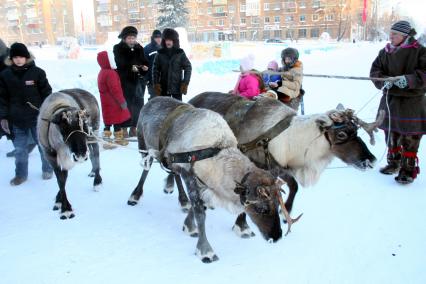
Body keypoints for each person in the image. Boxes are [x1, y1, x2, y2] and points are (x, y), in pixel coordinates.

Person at [370, 20, 426, 185]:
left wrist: (408, 80)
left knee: (410, 137)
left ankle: (407, 170)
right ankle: (393, 163)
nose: (391, 36)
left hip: (412, 103)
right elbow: (375, 71)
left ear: (404, 36)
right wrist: (383, 80)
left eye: (394, 34)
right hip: (390, 99)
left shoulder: (420, 52)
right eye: (391, 33)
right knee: (391, 134)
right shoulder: (385, 52)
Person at [0, 42, 53, 186]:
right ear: (11, 59)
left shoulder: (38, 73)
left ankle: (48, 169)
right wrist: (3, 117)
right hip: (16, 120)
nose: (18, 59)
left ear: (27, 57)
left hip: (37, 119)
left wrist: (46, 111)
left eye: (21, 57)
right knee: (19, 150)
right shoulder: (5, 75)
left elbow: (47, 93)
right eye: (15, 57)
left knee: (43, 146)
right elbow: (2, 98)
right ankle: (21, 175)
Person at [113, 26, 149, 137]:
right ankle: (124, 128)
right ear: (124, 38)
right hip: (125, 82)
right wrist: (132, 66)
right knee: (126, 105)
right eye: (129, 38)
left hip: (138, 82)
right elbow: (120, 62)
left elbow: (144, 61)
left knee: (138, 105)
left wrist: (144, 67)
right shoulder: (118, 48)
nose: (132, 40)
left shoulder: (139, 48)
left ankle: (134, 127)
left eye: (133, 38)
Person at [97, 50, 131, 148]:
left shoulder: (102, 72)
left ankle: (107, 141)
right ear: (107, 61)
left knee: (108, 122)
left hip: (106, 102)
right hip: (114, 103)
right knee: (117, 121)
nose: (113, 61)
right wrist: (122, 101)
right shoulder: (111, 73)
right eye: (111, 59)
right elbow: (115, 90)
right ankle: (118, 139)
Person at [152, 28, 192, 101]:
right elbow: (155, 69)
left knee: (177, 110)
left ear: (174, 41)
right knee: (164, 110)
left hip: (177, 88)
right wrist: (156, 84)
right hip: (164, 88)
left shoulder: (180, 53)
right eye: (167, 40)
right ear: (164, 41)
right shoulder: (160, 53)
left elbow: (188, 67)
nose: (168, 42)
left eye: (170, 40)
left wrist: (185, 83)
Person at [144, 30, 162, 100]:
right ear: (153, 38)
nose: (158, 39)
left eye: (160, 37)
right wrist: (147, 79)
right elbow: (144, 65)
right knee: (154, 100)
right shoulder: (147, 49)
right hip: (152, 81)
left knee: (165, 100)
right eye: (156, 37)